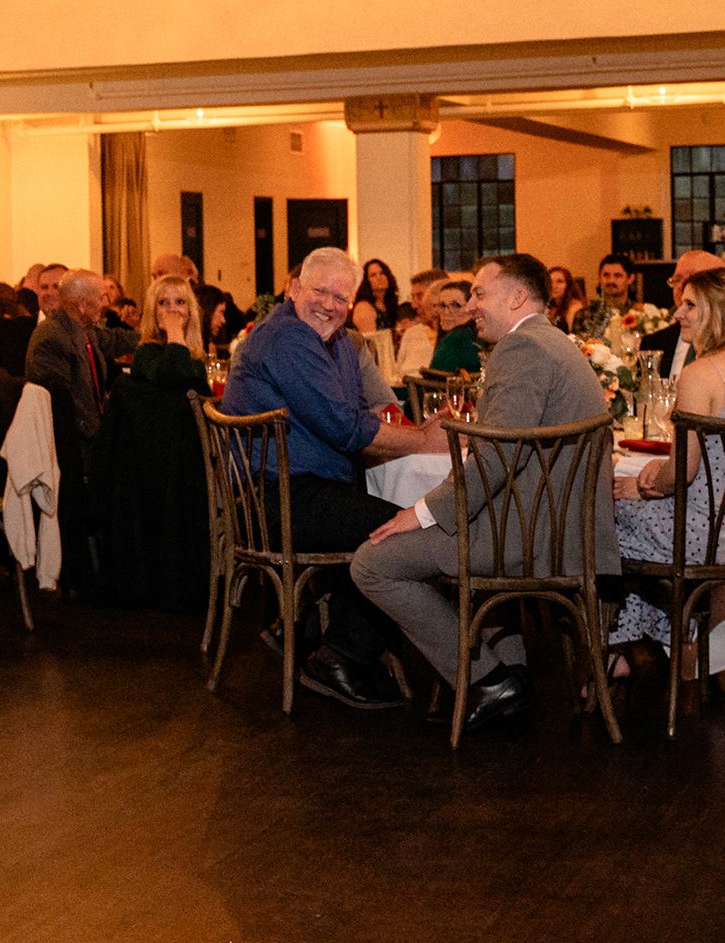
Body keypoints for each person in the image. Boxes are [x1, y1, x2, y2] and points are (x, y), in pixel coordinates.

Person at [350, 252, 614, 728]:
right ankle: (512, 678)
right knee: (449, 551)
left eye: (479, 293)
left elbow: (496, 460)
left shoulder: (523, 348)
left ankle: (488, 681)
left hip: (532, 535)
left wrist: (422, 512)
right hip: (558, 528)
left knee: (372, 563)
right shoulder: (552, 341)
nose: (470, 305)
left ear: (517, 297)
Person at [221, 247, 451, 711]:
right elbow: (346, 429)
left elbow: (360, 414)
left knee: (389, 521)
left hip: (305, 489)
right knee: (403, 535)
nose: (329, 304)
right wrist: (424, 441)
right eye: (319, 292)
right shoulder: (288, 337)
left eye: (340, 297)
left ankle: (307, 630)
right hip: (275, 498)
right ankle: (341, 656)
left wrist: (414, 432)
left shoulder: (338, 341)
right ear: (294, 289)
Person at [607, 266, 725, 670]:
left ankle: (617, 652)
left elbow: (682, 473)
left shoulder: (700, 374)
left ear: (720, 312)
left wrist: (644, 482)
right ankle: (652, 649)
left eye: (691, 305)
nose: (678, 314)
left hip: (700, 538)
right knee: (632, 515)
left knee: (596, 521)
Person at [27, 270, 134, 445]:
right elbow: (67, 407)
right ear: (82, 305)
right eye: (101, 298)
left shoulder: (83, 329)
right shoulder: (51, 337)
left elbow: (116, 340)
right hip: (73, 445)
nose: (106, 304)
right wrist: (105, 439)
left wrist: (157, 336)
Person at [424, 274, 482, 374]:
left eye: (456, 305)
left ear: (472, 308)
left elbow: (432, 380)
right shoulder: (479, 335)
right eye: (442, 305)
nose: (446, 312)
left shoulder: (457, 338)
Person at [571, 255, 637, 342]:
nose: (611, 280)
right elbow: (577, 346)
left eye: (617, 276)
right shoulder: (584, 315)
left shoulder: (641, 314)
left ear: (630, 279)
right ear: (599, 278)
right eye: (606, 275)